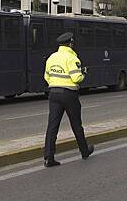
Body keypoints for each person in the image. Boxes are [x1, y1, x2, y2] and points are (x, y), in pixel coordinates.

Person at [43, 32, 94, 167]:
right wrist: (83, 73)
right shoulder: (72, 58)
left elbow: (47, 77)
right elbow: (76, 78)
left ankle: (49, 157)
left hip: (53, 93)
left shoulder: (51, 57)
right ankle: (84, 151)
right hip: (69, 94)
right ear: (70, 44)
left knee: (52, 126)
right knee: (76, 124)